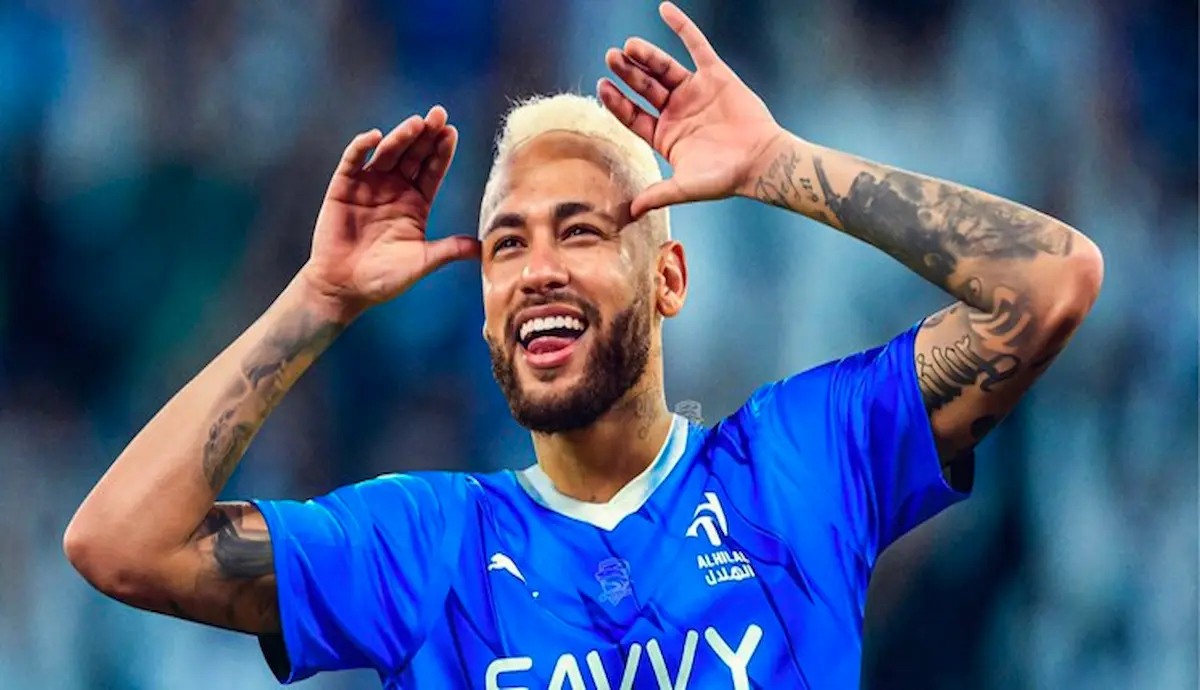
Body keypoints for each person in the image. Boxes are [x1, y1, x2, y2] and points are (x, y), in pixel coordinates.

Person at [63, 3, 1103, 688]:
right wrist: (317, 301)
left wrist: (779, 165)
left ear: (670, 279)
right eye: (507, 245)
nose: (538, 270)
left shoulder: (798, 469)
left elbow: (1050, 283)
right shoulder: (427, 546)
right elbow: (120, 545)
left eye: (582, 231)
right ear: (486, 313)